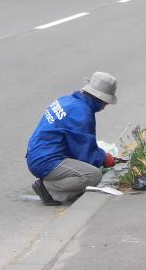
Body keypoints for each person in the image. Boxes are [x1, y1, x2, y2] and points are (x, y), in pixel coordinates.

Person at [26, 72, 118, 205]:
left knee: (87, 169)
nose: (106, 106)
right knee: (92, 175)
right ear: (100, 99)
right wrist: (104, 158)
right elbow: (86, 155)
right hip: (47, 161)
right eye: (106, 102)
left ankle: (56, 187)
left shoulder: (67, 100)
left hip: (36, 153)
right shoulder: (82, 113)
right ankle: (48, 189)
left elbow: (78, 143)